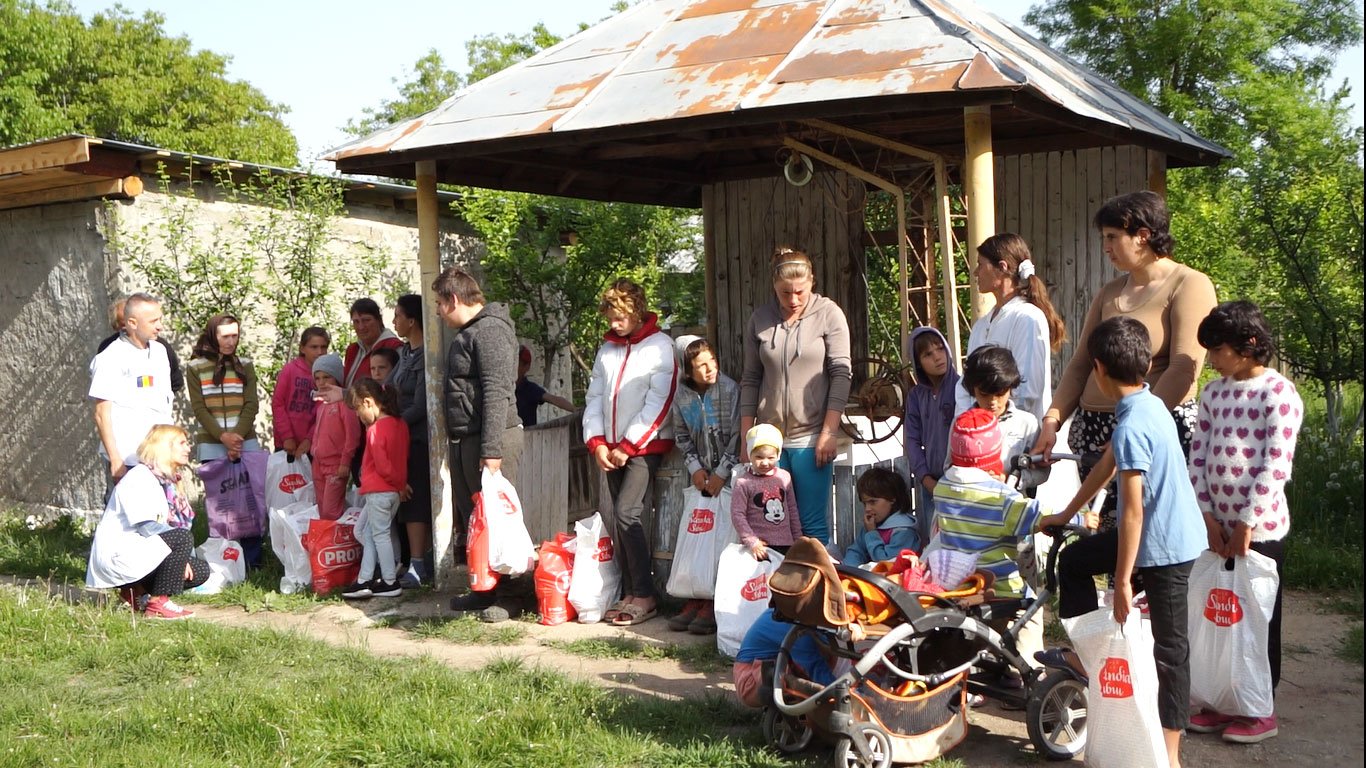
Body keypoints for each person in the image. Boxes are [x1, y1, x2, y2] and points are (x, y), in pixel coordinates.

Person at [1034, 317, 1206, 768]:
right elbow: (1105, 468)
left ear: (1097, 369)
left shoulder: (1132, 424)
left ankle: (1170, 755)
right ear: (1147, 364)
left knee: (1171, 652)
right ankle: (1086, 655)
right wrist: (1065, 515)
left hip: (1168, 546)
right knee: (1073, 561)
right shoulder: (1145, 405)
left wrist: (1125, 580)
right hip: (1153, 534)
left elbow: (1132, 510)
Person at [1033, 191, 1218, 533]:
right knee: (1107, 537)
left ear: (1143, 236)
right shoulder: (1110, 291)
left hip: (1152, 429)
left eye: (1112, 237)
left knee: (1150, 533)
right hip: (1093, 432)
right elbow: (1080, 363)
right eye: (1104, 238)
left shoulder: (1189, 284)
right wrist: (1052, 421)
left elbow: (1184, 368)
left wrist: (1134, 427)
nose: (1106, 247)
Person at [1186, 301, 1303, 744]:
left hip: (1261, 530)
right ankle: (1221, 699)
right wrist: (1208, 515)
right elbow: (1198, 456)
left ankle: (1259, 706)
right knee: (1218, 614)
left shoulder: (1278, 393)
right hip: (1215, 527)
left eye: (1217, 350)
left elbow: (1277, 463)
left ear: (1248, 345)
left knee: (1256, 617)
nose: (1212, 361)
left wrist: (1247, 522)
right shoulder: (1214, 394)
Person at [739, 246, 852, 544]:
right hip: (768, 440)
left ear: (812, 281)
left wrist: (829, 431)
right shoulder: (760, 319)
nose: (793, 300)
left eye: (800, 292)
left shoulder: (829, 313)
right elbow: (750, 379)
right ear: (774, 287)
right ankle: (775, 590)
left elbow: (841, 374)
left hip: (811, 436)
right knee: (770, 524)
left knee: (811, 525)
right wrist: (745, 438)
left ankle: (816, 590)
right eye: (784, 293)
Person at [584, 277, 677, 627]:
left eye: (619, 316)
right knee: (618, 517)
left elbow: (660, 401)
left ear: (637, 311)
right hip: (609, 447)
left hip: (643, 446)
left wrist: (628, 445)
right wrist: (596, 442)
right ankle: (630, 591)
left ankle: (646, 593)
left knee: (627, 513)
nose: (613, 323)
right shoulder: (607, 349)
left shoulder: (660, 346)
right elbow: (594, 398)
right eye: (610, 316)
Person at [435, 267, 526, 623]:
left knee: (500, 519)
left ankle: (512, 595)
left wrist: (491, 451)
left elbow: (496, 392)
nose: (440, 312)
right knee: (477, 520)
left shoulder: (490, 331)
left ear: (454, 300)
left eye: (441, 304)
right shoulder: (470, 331)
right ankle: (484, 589)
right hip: (467, 438)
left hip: (492, 439)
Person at [933, 407, 1052, 676]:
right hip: (996, 584)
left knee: (984, 626)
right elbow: (1039, 517)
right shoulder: (1000, 497)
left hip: (959, 581)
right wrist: (1080, 519)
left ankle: (977, 667)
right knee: (1031, 611)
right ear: (994, 453)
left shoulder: (942, 488)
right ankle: (1029, 674)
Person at [86, 424, 210, 620]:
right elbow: (147, 526)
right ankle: (158, 603)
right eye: (182, 443)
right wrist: (181, 553)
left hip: (138, 553)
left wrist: (183, 558)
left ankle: (134, 593)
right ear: (164, 447)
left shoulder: (164, 481)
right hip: (119, 555)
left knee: (200, 570)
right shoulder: (140, 478)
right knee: (181, 537)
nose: (188, 448)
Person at [667, 335, 740, 635]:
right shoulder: (682, 397)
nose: (709, 370)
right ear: (687, 370)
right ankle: (694, 597)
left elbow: (737, 434)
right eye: (700, 366)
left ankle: (714, 599)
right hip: (701, 480)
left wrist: (722, 471)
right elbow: (681, 435)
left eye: (711, 362)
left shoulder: (730, 389)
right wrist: (695, 469)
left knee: (723, 540)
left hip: (728, 478)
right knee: (699, 538)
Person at [956, 233, 1066, 422]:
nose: (975, 272)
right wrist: (967, 421)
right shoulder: (981, 326)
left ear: (1002, 267)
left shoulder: (1028, 318)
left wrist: (995, 423)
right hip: (976, 436)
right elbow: (966, 384)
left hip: (1018, 439)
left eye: (980, 264)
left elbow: (1027, 389)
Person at [89, 292, 175, 499]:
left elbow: (164, 401)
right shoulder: (110, 358)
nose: (160, 326)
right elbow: (101, 414)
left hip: (159, 453)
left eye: (160, 319)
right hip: (129, 455)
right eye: (153, 321)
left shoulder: (160, 351)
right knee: (129, 517)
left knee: (161, 517)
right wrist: (115, 459)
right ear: (132, 323)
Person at [341, 378, 409, 600]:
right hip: (391, 491)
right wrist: (400, 484)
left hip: (380, 491)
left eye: (358, 411)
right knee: (366, 532)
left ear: (368, 402)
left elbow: (383, 466)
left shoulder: (375, 429)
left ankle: (389, 581)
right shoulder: (400, 424)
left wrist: (398, 484)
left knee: (378, 535)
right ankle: (365, 579)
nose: (359, 418)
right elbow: (400, 459)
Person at [961, 345, 1049, 494]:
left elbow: (1043, 471)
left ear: (1011, 386)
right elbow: (949, 467)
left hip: (1013, 508)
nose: (993, 402)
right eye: (984, 394)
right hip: (972, 510)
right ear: (972, 389)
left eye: (1000, 394)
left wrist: (1011, 479)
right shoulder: (962, 425)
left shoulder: (1027, 424)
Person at [389, 294, 433, 588]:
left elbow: (420, 404)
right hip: (399, 438)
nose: (394, 322)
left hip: (417, 439)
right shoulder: (404, 353)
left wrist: (391, 426)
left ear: (412, 320)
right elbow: (387, 387)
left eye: (397, 316)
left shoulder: (426, 356)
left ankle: (419, 563)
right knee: (406, 504)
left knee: (416, 503)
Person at [903, 326, 958, 548]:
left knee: (958, 543)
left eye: (940, 349)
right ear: (918, 363)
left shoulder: (961, 388)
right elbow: (912, 440)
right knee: (935, 545)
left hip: (958, 481)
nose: (937, 357)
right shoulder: (916, 396)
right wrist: (926, 479)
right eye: (928, 354)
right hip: (930, 483)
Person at [186, 313, 260, 462]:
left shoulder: (245, 365)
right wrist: (223, 436)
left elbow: (251, 404)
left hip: (244, 441)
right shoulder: (196, 367)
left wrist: (236, 439)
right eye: (225, 337)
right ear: (213, 336)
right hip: (211, 444)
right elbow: (199, 408)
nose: (231, 342)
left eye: (235, 336)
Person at [732, 607, 838, 708]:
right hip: (749, 679)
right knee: (814, 668)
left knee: (826, 652)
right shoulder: (790, 625)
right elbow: (815, 667)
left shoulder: (790, 612)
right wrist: (844, 696)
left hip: (763, 667)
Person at [730, 423, 802, 561]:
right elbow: (737, 514)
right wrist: (751, 541)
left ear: (778, 455)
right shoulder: (743, 482)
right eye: (759, 457)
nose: (765, 463)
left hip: (786, 544)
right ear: (750, 455)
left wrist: (797, 539)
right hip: (759, 547)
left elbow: (792, 509)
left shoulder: (784, 477)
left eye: (770, 458)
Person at [309, 354, 361, 521]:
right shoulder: (321, 405)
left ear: (337, 378)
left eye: (326, 377)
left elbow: (353, 435)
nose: (321, 382)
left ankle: (335, 544)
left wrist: (345, 462)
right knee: (322, 508)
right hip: (318, 463)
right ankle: (328, 545)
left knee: (331, 511)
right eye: (317, 378)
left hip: (335, 465)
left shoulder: (345, 404)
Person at [97, 296, 184, 394]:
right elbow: (104, 400)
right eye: (125, 325)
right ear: (116, 327)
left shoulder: (160, 348)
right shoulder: (108, 351)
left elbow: (176, 381)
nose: (131, 328)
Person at [841, 466, 917, 567]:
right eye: (865, 503)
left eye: (873, 502)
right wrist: (849, 570)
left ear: (892, 499)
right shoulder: (870, 526)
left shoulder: (904, 531)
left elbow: (887, 562)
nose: (867, 509)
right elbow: (856, 551)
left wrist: (872, 534)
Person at [272, 327, 329, 459]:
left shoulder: (327, 375)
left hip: (313, 444)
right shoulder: (290, 370)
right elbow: (277, 404)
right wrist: (287, 437)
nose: (319, 352)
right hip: (286, 444)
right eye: (314, 347)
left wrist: (309, 439)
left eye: (323, 347)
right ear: (302, 348)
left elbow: (323, 412)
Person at [342, 297, 403, 386]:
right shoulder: (353, 350)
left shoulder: (394, 347)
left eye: (366, 320)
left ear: (379, 320)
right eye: (356, 322)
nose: (361, 327)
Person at [515, 345, 575, 427]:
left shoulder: (530, 389)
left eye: (518, 364)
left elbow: (554, 399)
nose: (514, 367)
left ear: (527, 367)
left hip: (526, 436)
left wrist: (574, 409)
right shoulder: (503, 387)